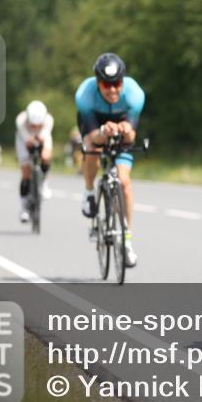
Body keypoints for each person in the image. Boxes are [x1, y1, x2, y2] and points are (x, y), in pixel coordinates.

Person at [75, 53, 145, 267]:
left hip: (121, 125)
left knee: (124, 182)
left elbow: (132, 136)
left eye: (117, 84)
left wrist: (126, 130)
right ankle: (89, 193)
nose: (113, 89)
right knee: (92, 149)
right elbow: (91, 137)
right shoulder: (85, 96)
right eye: (107, 84)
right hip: (96, 125)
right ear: (98, 83)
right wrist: (104, 131)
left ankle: (126, 242)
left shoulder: (134, 94)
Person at [16, 100, 55, 223]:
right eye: (33, 125)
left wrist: (41, 145)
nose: (36, 127)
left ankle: (43, 183)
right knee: (26, 171)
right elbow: (28, 141)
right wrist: (31, 141)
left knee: (46, 157)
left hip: (42, 137)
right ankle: (23, 208)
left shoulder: (49, 120)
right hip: (23, 140)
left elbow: (44, 137)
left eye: (39, 125)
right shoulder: (20, 120)